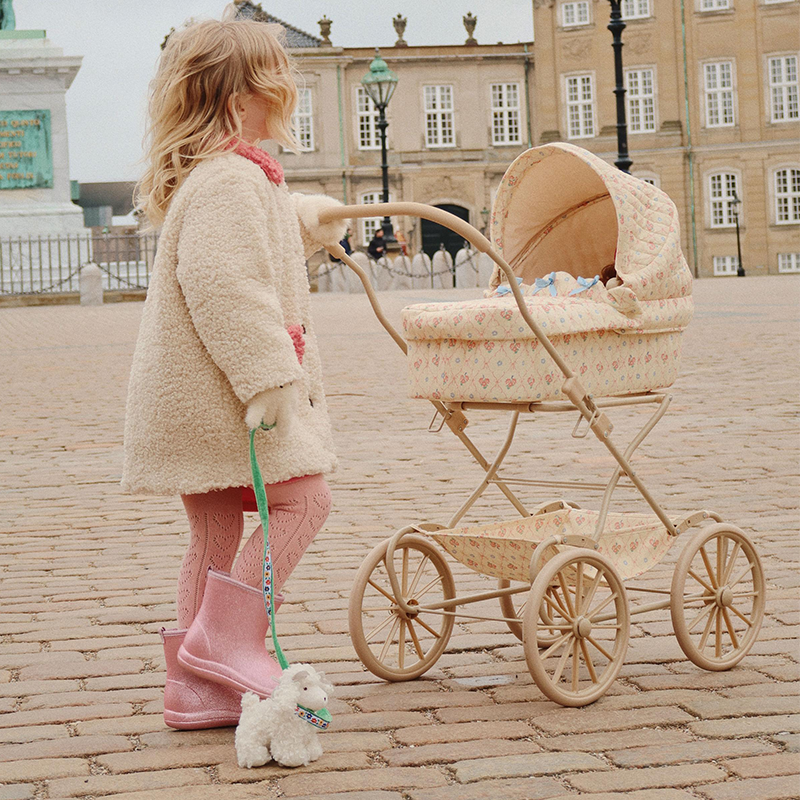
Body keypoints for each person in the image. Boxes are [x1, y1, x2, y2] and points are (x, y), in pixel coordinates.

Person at [121, 15, 346, 730]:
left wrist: (302, 216)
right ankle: (224, 640)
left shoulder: (226, 176)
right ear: (249, 91)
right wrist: (269, 378)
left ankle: (194, 688)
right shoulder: (229, 182)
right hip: (229, 398)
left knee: (214, 534)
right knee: (305, 501)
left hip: (195, 402)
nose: (292, 88)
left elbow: (254, 244)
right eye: (281, 75)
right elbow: (224, 282)